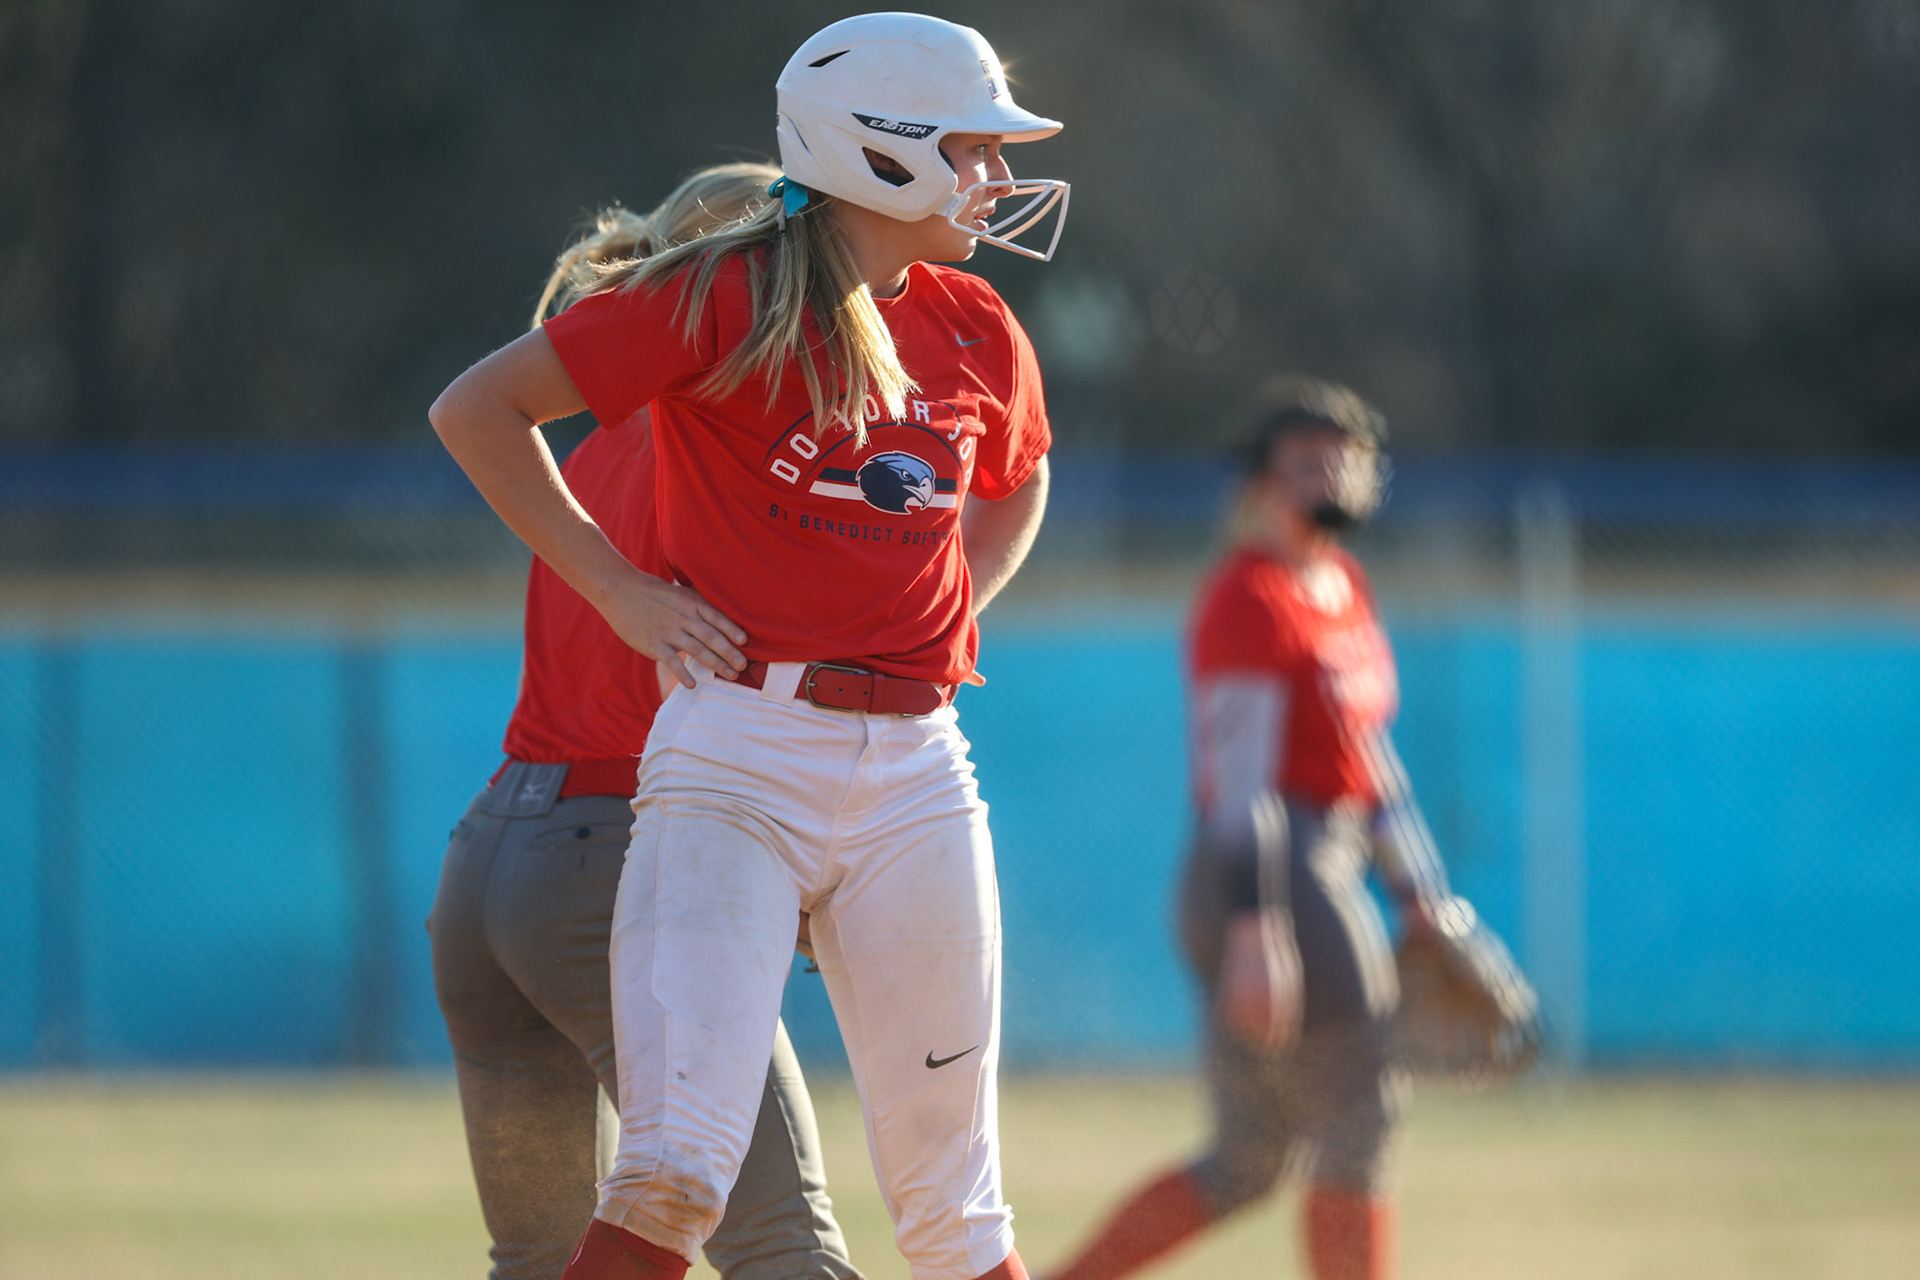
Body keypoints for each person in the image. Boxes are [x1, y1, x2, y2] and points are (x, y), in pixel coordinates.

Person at [427, 13, 1067, 1280]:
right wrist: (619, 592)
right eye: (973, 147)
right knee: (674, 1175)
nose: (995, 177)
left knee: (958, 1206)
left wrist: (960, 595)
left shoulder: (976, 322)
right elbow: (479, 408)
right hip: (739, 749)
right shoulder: (724, 292)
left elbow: (1020, 474)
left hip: (919, 762)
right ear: (881, 151)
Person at [428, 161, 864, 1280]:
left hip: (492, 865)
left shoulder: (599, 432)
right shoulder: (735, 442)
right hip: (618, 860)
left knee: (547, 1260)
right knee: (786, 1252)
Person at [1042, 377, 1457, 1280]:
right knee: (1362, 1117)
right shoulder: (1250, 597)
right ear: (1258, 484)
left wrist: (1418, 888)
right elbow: (1240, 792)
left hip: (1329, 860)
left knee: (1249, 1158)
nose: (1332, 480)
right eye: (1307, 463)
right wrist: (1256, 928)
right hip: (1272, 873)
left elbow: (1370, 755)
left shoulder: (1340, 583)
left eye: (1346, 463)